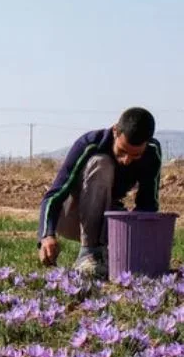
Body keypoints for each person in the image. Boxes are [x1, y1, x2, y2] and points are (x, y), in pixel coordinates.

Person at [38, 107, 161, 277]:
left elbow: (147, 204)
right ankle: (89, 253)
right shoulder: (90, 144)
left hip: (108, 217)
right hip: (71, 216)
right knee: (101, 164)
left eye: (135, 156)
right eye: (122, 151)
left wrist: (138, 245)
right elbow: (54, 196)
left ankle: (107, 253)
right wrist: (46, 236)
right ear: (115, 131)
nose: (126, 161)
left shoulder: (152, 152)